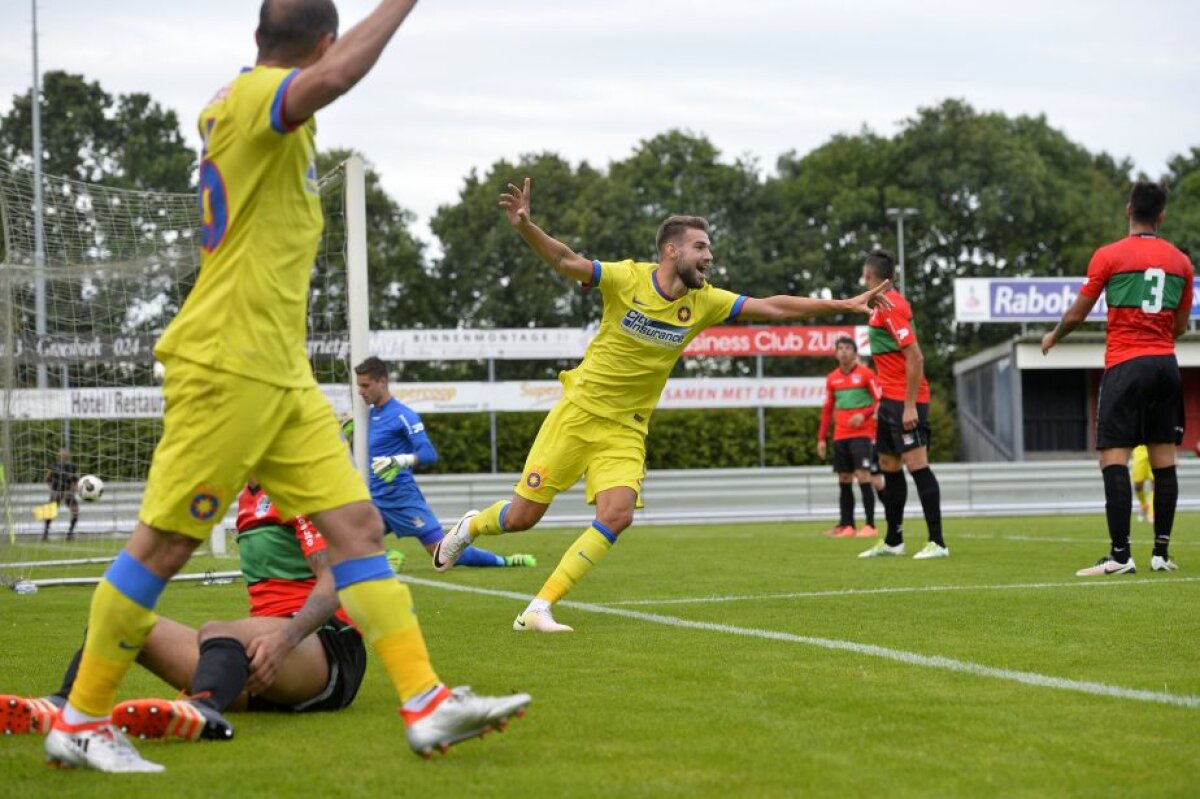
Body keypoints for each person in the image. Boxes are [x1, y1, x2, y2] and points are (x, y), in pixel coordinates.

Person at [44, 0, 529, 774]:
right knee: (164, 543)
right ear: (324, 44)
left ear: (258, 33)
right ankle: (80, 717)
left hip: (281, 372)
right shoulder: (253, 101)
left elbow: (317, 81)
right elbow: (331, 78)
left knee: (360, 530)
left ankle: (427, 702)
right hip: (229, 362)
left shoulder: (265, 120)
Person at [431, 177, 891, 632]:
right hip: (578, 414)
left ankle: (538, 607)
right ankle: (470, 528)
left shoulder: (706, 302)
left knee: (617, 514)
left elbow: (773, 308)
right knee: (520, 518)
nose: (708, 256)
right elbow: (565, 259)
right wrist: (526, 226)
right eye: (700, 247)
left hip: (626, 428)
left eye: (708, 248)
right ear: (672, 251)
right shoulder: (624, 278)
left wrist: (844, 304)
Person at [3, 482, 365, 740]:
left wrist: (285, 639)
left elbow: (336, 579)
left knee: (217, 632)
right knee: (122, 619)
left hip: (326, 649)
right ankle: (66, 706)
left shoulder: (302, 487)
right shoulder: (249, 496)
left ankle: (202, 710)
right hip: (263, 665)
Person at [1043, 180, 1192, 576]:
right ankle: (1161, 553)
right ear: (1161, 216)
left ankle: (1121, 555)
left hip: (1127, 364)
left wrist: (1054, 335)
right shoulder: (1181, 262)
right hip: (1166, 365)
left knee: (1114, 457)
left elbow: (1077, 313)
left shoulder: (1110, 256)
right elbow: (1180, 326)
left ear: (1129, 209)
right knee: (1164, 461)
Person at [351, 357, 537, 568]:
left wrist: (400, 460)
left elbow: (429, 453)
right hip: (374, 498)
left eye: (365, 385)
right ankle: (388, 556)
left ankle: (507, 561)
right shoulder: (366, 417)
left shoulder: (403, 415)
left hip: (400, 497)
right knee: (342, 534)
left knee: (444, 552)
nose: (360, 391)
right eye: (358, 385)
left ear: (382, 382)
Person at [856, 249, 949, 561]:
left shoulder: (893, 305)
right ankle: (894, 540)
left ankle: (937, 542)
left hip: (906, 401)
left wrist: (910, 406)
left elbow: (916, 357)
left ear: (870, 277)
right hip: (888, 399)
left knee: (917, 466)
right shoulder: (881, 306)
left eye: (863, 276)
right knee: (889, 466)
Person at [817, 337, 881, 538]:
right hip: (840, 434)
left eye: (847, 348)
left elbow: (880, 398)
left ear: (855, 352)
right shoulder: (832, 378)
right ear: (836, 353)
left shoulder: (866, 374)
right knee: (844, 477)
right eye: (840, 348)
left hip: (863, 433)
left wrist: (865, 414)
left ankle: (870, 525)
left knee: (863, 476)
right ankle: (847, 525)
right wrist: (821, 438)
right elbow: (827, 410)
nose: (843, 351)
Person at [43, 449, 80, 541]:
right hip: (56, 492)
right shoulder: (53, 466)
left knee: (75, 511)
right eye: (61, 455)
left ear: (68, 457)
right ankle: (45, 534)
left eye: (65, 455)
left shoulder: (72, 467)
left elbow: (76, 481)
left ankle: (70, 534)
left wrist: (71, 491)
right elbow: (48, 480)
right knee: (49, 513)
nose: (63, 457)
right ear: (58, 456)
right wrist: (51, 491)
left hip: (67, 492)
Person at [1131, 445, 1154, 522]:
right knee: (1138, 484)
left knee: (1155, 483)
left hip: (1154, 447)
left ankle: (1151, 511)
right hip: (1139, 449)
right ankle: (1144, 505)